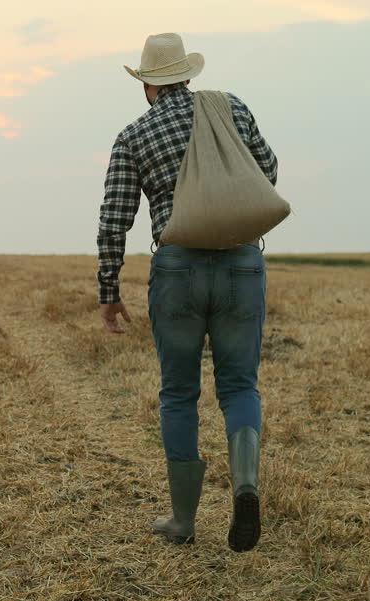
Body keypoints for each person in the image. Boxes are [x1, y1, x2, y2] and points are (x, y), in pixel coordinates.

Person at [95, 33, 279, 552]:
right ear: (187, 76)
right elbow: (267, 172)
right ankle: (245, 484)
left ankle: (183, 520)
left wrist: (108, 287)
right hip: (242, 262)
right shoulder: (231, 109)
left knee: (179, 392)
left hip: (176, 268)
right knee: (240, 386)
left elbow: (115, 219)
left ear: (148, 85)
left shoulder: (135, 134)